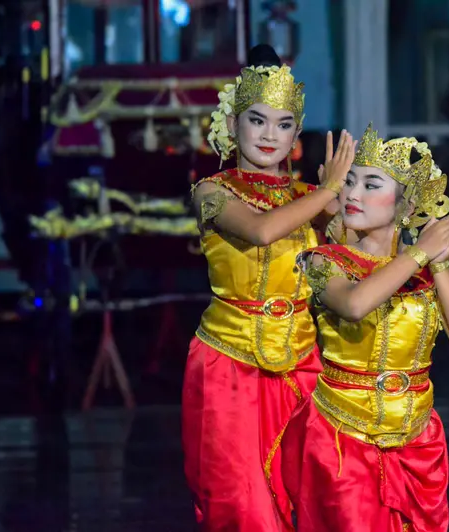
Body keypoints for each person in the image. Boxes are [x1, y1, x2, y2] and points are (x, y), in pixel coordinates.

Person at [182, 44, 356, 531]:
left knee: (310, 501)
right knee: (243, 505)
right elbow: (260, 231)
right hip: (228, 363)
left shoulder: (310, 198)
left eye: (283, 125)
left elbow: (349, 268)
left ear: (296, 137)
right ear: (234, 123)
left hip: (303, 364)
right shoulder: (212, 191)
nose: (268, 135)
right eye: (257, 120)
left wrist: (340, 212)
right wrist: (326, 196)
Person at [281, 124, 449, 531]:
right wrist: (420, 251)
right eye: (350, 182)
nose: (353, 194)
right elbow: (356, 305)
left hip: (417, 444)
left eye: (371, 184)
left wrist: (441, 261)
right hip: (342, 438)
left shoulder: (427, 269)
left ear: (404, 206)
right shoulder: (326, 261)